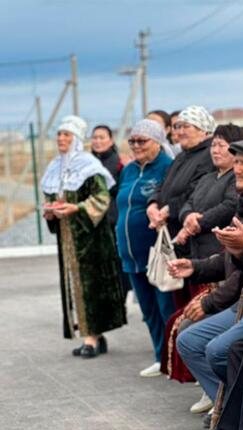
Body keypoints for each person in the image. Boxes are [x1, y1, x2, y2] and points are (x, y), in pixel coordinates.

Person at [171, 139, 243, 408]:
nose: (236, 169)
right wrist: (196, 267)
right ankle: (229, 412)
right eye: (235, 162)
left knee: (210, 347)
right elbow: (234, 257)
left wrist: (211, 301)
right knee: (187, 337)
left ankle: (239, 414)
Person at [41, 115, 125, 357]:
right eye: (59, 134)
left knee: (92, 287)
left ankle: (92, 337)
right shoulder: (56, 166)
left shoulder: (89, 166)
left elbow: (101, 199)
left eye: (66, 135)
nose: (61, 139)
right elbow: (52, 196)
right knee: (75, 288)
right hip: (67, 239)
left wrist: (76, 208)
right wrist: (51, 212)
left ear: (76, 139)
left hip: (92, 240)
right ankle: (93, 336)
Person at [115, 119, 176, 376]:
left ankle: (177, 361)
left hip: (156, 252)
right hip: (131, 253)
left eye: (142, 141)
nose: (136, 146)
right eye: (132, 141)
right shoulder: (128, 171)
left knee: (166, 309)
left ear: (158, 141)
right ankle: (159, 357)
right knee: (148, 310)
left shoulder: (167, 167)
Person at [146, 105, 216, 259]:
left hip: (192, 239)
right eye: (177, 126)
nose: (179, 132)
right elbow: (163, 184)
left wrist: (169, 209)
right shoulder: (181, 156)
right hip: (172, 233)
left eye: (186, 126)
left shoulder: (208, 155)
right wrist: (153, 204)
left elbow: (197, 193)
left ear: (202, 129)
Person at [175, 124, 243, 258]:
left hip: (217, 250)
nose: (215, 150)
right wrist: (187, 216)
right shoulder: (207, 178)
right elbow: (189, 202)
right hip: (196, 250)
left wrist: (197, 223)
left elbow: (229, 205)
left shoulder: (236, 177)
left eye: (221, 145)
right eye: (213, 145)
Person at [90, 124, 130, 298]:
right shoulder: (87, 163)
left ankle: (119, 297)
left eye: (102, 137)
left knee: (115, 262)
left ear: (110, 140)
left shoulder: (118, 162)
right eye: (95, 138)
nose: (97, 141)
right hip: (93, 220)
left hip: (113, 218)